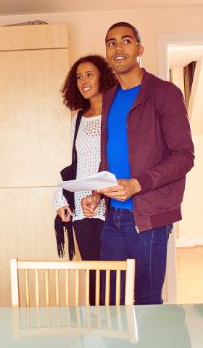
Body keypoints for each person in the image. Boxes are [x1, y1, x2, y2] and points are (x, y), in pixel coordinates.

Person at [81, 22, 194, 305]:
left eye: (126, 41)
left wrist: (137, 184)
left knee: (146, 303)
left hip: (149, 220)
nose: (118, 47)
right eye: (111, 42)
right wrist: (97, 192)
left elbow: (184, 157)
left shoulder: (165, 93)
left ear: (140, 49)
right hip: (113, 218)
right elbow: (110, 157)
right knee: (110, 300)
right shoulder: (109, 98)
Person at [54, 55, 119, 265]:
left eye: (89, 74)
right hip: (83, 208)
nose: (83, 81)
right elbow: (76, 164)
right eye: (79, 77)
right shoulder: (78, 118)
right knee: (94, 275)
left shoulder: (117, 113)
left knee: (116, 276)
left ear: (103, 77)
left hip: (112, 202)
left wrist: (100, 192)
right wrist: (60, 198)